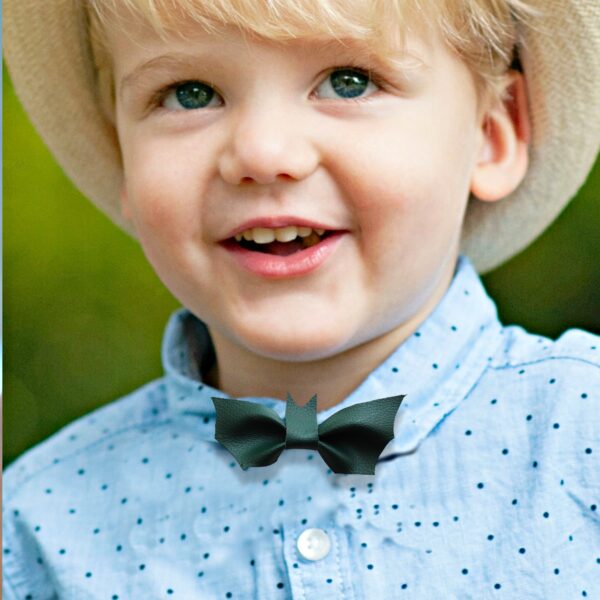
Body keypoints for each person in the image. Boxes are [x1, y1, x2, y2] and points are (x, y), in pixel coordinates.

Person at [3, 1, 599, 597]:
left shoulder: (580, 435)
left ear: (493, 132)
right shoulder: (39, 531)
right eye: (189, 93)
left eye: (349, 82)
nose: (264, 154)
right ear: (123, 159)